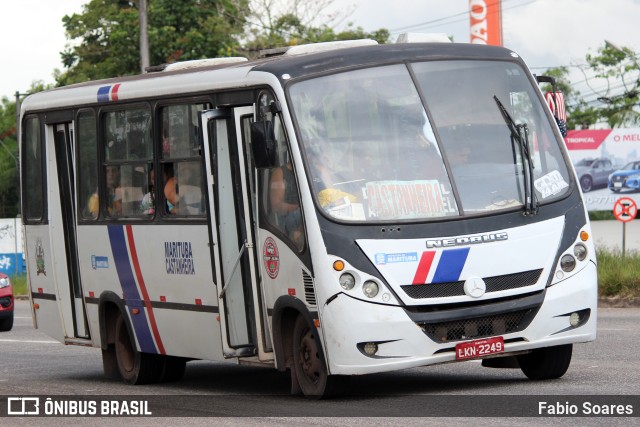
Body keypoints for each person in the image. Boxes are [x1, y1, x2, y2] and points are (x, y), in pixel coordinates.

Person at [270, 162, 302, 244]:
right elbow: (276, 206)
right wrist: (302, 209)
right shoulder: (280, 173)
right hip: (288, 218)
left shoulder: (314, 170)